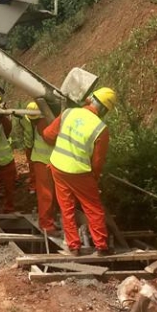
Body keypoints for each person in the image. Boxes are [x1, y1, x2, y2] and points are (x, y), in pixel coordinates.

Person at [42, 87, 117, 256]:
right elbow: (97, 162)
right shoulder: (101, 129)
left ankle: (74, 247)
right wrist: (94, 179)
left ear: (90, 99)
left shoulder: (69, 113)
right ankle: (101, 247)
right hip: (80, 173)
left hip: (58, 167)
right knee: (93, 208)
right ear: (105, 110)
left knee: (66, 207)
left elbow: (47, 135)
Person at [22, 102, 57, 233]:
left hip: (45, 161)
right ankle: (46, 224)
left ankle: (50, 220)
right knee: (46, 194)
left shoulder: (37, 121)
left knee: (50, 194)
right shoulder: (43, 123)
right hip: (43, 161)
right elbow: (50, 140)